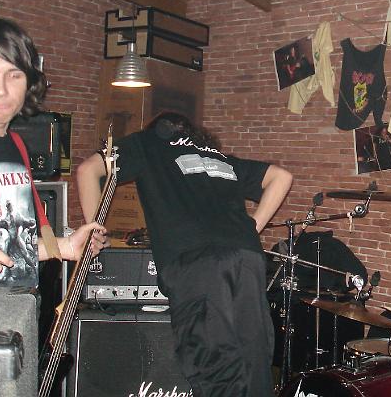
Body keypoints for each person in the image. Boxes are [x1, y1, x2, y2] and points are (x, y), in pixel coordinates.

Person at [76, 111, 292, 397]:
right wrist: (252, 228)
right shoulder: (218, 157)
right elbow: (281, 176)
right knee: (253, 359)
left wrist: (95, 231)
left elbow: (88, 170)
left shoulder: (147, 143)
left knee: (214, 368)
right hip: (248, 257)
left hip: (197, 262)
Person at [0, 18, 107, 288]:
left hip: (17, 311)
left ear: (28, 83)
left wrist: (65, 246)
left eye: (14, 75)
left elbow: (12, 247)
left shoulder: (16, 146)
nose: (1, 89)